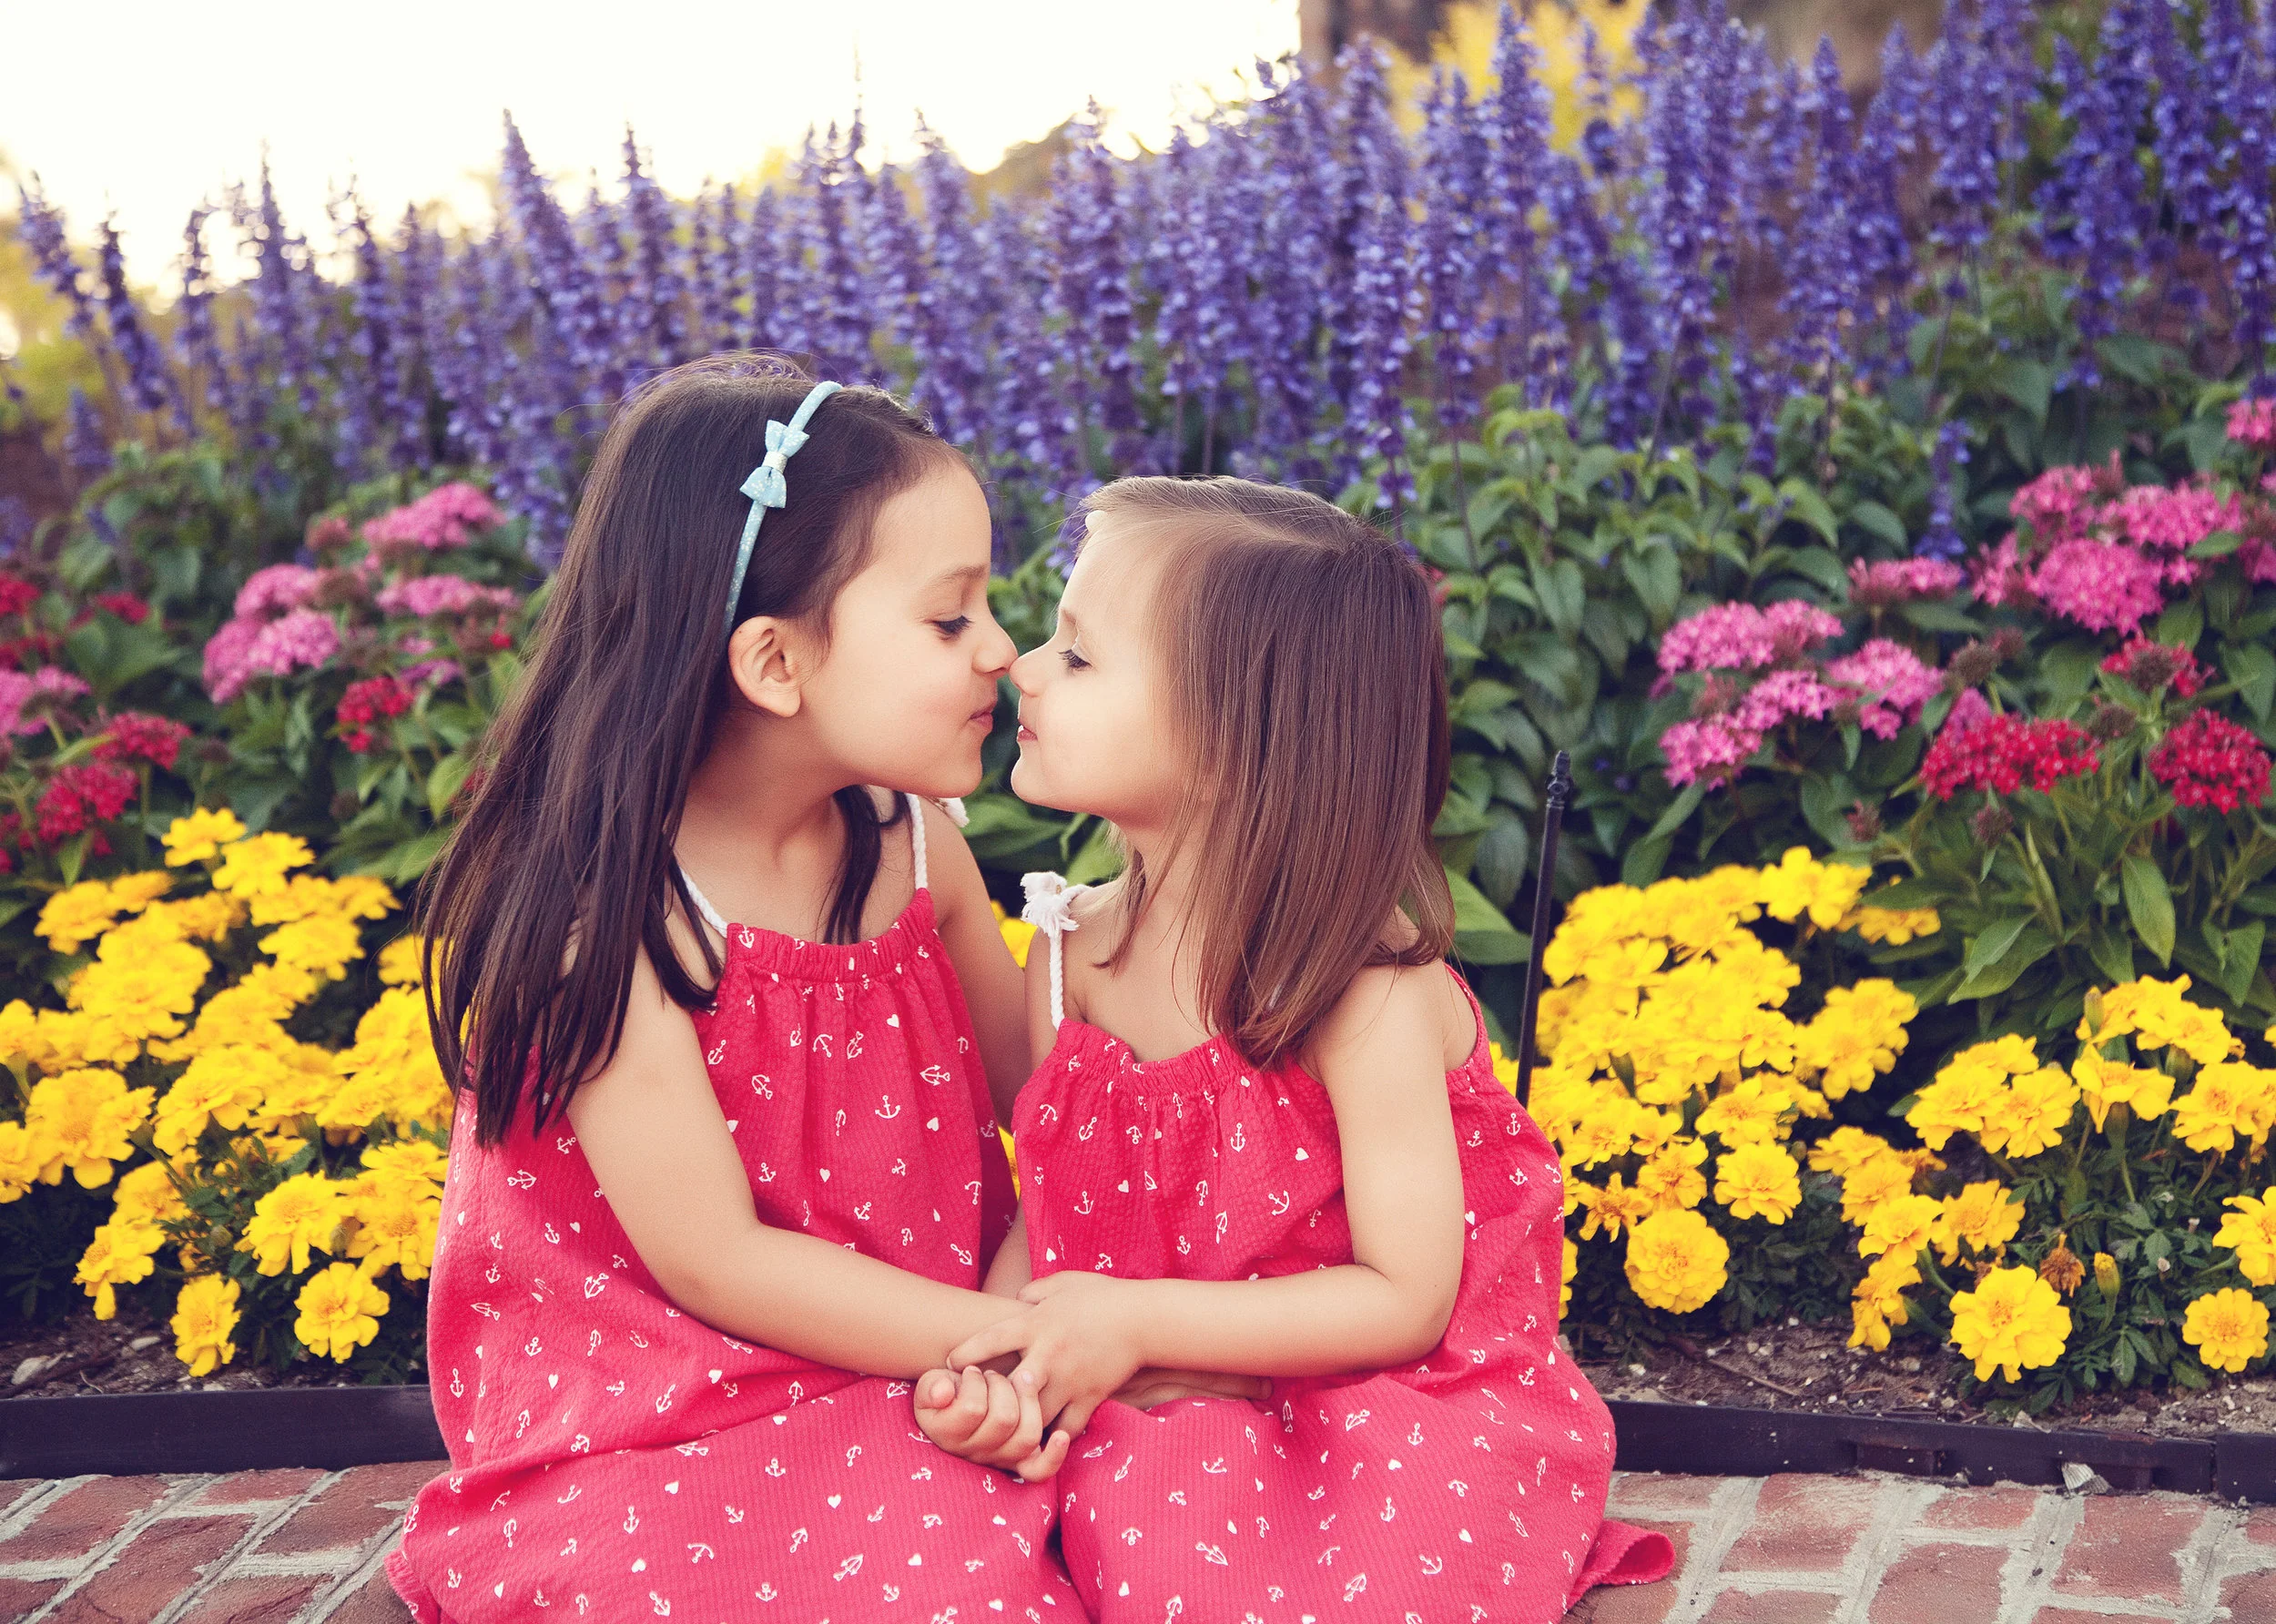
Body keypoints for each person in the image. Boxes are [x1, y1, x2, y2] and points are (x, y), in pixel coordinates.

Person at [384, 357, 1089, 1621]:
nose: (1005, 651)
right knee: (898, 1583)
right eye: (949, 619)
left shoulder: (917, 843)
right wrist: (997, 1347)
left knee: (1147, 1497)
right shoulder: (603, 914)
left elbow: (1057, 1115)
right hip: (670, 1395)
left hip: (936, 1350)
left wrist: (1012, 1322)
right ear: (774, 662)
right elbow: (716, 1264)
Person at [918, 475, 1673, 1620]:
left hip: (1380, 1399)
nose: (1020, 664)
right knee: (970, 1539)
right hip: (1163, 1389)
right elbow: (1051, 1206)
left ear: (1234, 735)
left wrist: (1130, 1324)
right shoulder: (1068, 954)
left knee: (1290, 1570)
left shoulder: (1356, 986)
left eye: (1077, 655)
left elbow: (1404, 1296)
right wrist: (996, 1352)